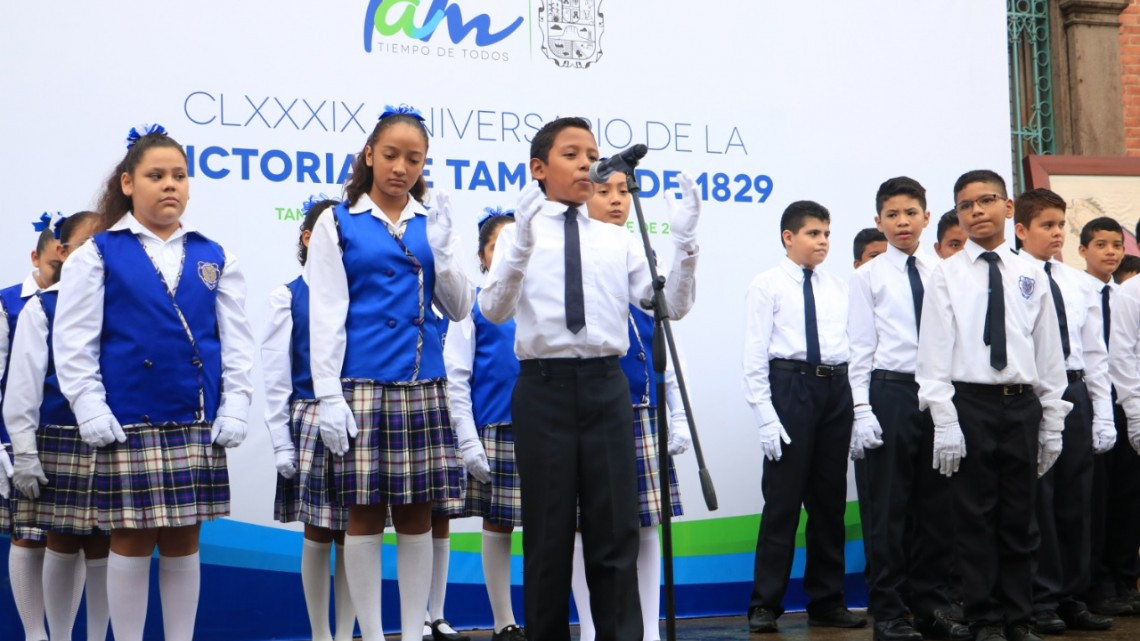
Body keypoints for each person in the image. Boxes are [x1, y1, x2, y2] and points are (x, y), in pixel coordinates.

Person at [478, 117, 700, 641]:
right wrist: (521, 245)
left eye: (591, 154)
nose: (586, 164)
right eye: (571, 154)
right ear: (539, 168)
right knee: (550, 535)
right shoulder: (517, 234)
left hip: (606, 386)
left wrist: (685, 245)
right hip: (544, 388)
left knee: (615, 531)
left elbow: (671, 306)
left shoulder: (615, 237)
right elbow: (492, 308)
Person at [54, 124, 255, 641]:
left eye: (180, 176)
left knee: (185, 536)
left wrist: (235, 405)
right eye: (156, 175)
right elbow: (73, 342)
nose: (170, 185)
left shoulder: (216, 255)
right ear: (128, 183)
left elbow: (235, 342)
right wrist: (89, 407)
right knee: (131, 537)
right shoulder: (97, 253)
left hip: (193, 416)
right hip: (128, 416)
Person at [306, 105, 471, 641]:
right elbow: (326, 312)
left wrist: (444, 254)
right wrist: (328, 396)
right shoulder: (338, 221)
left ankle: (412, 629)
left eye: (414, 159)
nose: (401, 167)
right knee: (364, 513)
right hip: (363, 385)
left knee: (418, 514)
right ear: (370, 155)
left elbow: (460, 306)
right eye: (392, 154)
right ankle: (372, 634)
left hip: (423, 382)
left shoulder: (432, 222)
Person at [917, 170, 1070, 641]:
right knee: (975, 519)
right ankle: (983, 618)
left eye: (986, 201)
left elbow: (1048, 351)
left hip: (1021, 405)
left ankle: (1019, 618)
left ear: (1008, 208)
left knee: (1021, 520)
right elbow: (934, 353)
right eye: (966, 206)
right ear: (959, 215)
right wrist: (944, 419)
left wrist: (1052, 419)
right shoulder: (945, 274)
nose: (976, 211)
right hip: (971, 404)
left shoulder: (1030, 273)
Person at [570, 171, 693, 641]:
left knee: (646, 523)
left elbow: (666, 337)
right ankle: (588, 628)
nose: (617, 200)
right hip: (589, 406)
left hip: (642, 407)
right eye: (604, 191)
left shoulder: (641, 254)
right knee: (584, 529)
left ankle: (648, 629)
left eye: (624, 191)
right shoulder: (574, 253)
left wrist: (675, 416)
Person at [848, 177, 970, 641]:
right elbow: (860, 348)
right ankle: (891, 612)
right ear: (879, 221)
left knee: (938, 508)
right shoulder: (868, 276)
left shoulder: (947, 270)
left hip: (938, 393)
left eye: (910, 213)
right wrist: (861, 409)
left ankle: (933, 606)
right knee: (889, 511)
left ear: (926, 216)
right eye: (892, 215)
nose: (902, 222)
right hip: (890, 393)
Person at [744, 200, 866, 634]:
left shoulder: (838, 286)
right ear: (789, 237)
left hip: (835, 387)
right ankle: (764, 605)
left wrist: (856, 406)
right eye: (814, 234)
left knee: (829, 503)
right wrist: (765, 415)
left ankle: (827, 600)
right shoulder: (768, 284)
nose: (823, 242)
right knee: (782, 504)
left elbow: (853, 345)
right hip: (790, 386)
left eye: (827, 234)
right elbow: (755, 355)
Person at [1011, 189, 1114, 634]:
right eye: (1046, 225)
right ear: (1021, 230)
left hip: (1076, 392)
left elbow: (1095, 352)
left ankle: (1074, 593)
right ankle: (1041, 596)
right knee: (1040, 501)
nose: (1056, 233)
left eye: (1060, 225)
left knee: (1077, 499)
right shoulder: (1012, 277)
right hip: (1032, 394)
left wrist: (1103, 412)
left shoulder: (1076, 283)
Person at [8, 211, 109, 641]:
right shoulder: (39, 306)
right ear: (63, 252)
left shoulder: (119, 304)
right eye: (88, 243)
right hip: (58, 437)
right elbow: (23, 384)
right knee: (58, 541)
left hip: (109, 439)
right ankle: (50, 635)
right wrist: (22, 450)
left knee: (108, 547)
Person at [261, 196, 357, 641]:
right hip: (312, 417)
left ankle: (350, 632)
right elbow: (277, 374)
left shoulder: (359, 292)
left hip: (360, 413)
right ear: (307, 238)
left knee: (358, 531)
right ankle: (320, 634)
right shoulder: (288, 296)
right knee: (319, 531)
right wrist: (281, 440)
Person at [444, 208, 525, 641]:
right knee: (499, 523)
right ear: (482, 257)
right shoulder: (471, 308)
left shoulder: (546, 300)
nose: (510, 252)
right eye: (498, 245)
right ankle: (503, 621)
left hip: (550, 428)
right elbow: (457, 378)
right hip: (498, 427)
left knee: (566, 524)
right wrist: (468, 441)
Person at [1075, 217, 1138, 616]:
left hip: (1127, 402)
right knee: (1094, 498)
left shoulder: (1127, 295)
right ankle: (1095, 583)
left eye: (1117, 245)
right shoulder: (1076, 291)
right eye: (1101, 245)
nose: (1111, 252)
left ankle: (1124, 578)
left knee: (1128, 496)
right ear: (1082, 250)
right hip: (1094, 403)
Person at [3, 214, 60, 641]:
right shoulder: (7, 303)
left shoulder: (89, 301)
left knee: (69, 538)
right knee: (27, 536)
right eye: (53, 264)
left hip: (67, 435)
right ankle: (33, 634)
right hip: (18, 440)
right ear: (35, 257)